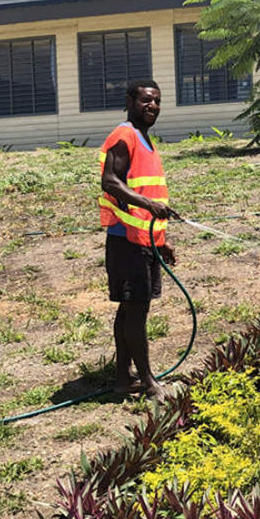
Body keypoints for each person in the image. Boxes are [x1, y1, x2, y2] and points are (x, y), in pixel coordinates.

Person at [98, 80, 176, 402]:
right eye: (146, 100)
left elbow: (147, 191)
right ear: (130, 100)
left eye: (157, 101)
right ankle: (147, 382)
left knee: (128, 311)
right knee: (136, 312)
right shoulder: (125, 135)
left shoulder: (145, 140)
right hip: (127, 241)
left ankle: (121, 379)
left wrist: (162, 242)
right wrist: (149, 207)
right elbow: (110, 181)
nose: (153, 106)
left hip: (143, 239)